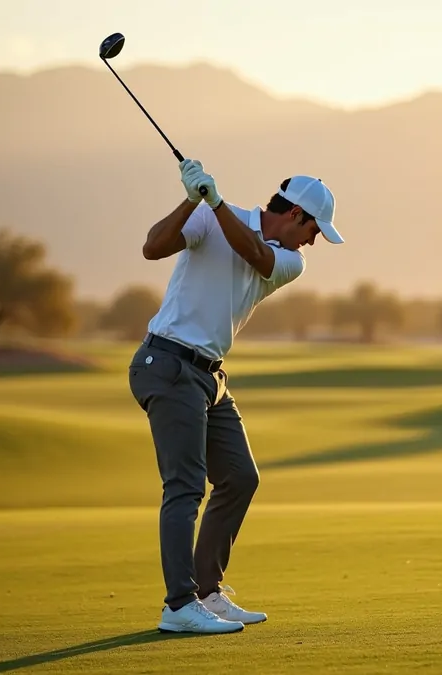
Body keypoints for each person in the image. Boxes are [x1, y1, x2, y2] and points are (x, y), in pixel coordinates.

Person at [128, 158, 343, 634]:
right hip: (167, 363)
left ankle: (207, 592)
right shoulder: (205, 215)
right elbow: (151, 248)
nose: (312, 242)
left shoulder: (289, 261)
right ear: (296, 216)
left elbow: (255, 255)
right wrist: (191, 201)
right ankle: (180, 606)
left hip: (210, 376)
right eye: (313, 231)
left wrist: (216, 202)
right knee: (185, 487)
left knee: (241, 477)